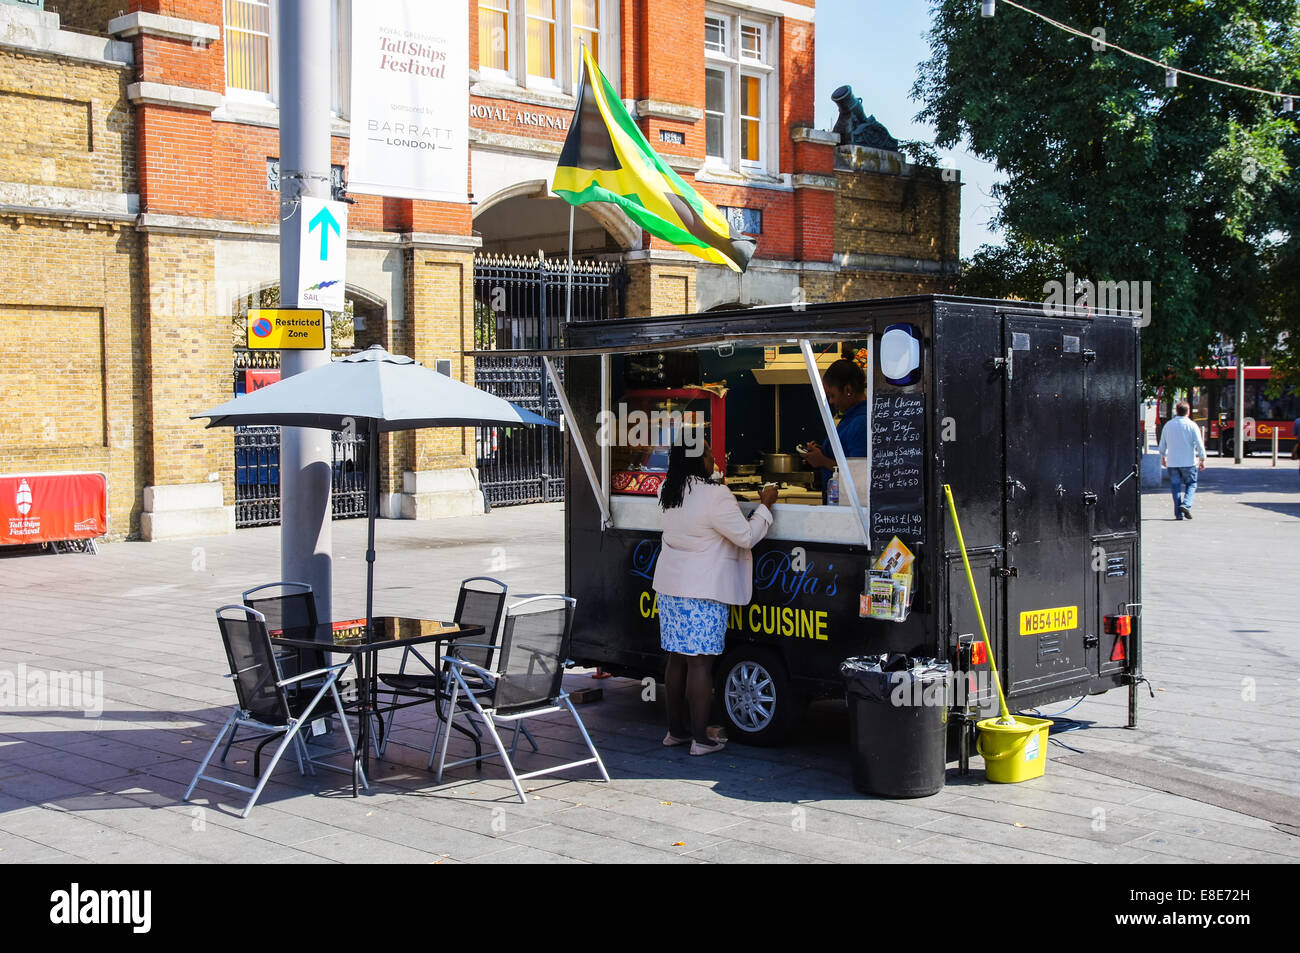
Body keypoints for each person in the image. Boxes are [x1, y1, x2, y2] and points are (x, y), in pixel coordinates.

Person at [653, 440, 778, 755]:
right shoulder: (714, 495)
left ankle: (676, 732)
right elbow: (746, 536)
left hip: (670, 588)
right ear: (698, 460)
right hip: (702, 591)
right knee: (700, 664)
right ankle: (701, 738)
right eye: (708, 453)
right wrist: (765, 505)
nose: (713, 457)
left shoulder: (667, 490)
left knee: (677, 658)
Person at [801, 359, 870, 501]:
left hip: (851, 508)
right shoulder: (850, 418)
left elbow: (859, 472)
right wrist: (822, 452)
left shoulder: (861, 422)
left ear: (848, 390)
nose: (831, 401)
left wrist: (822, 460)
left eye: (832, 395)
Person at [1158, 401, 1207, 520]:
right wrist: (1202, 459)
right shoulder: (1192, 425)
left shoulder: (1168, 425)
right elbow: (1199, 444)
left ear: (1176, 410)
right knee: (1191, 484)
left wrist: (1163, 457)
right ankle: (1186, 504)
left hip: (1172, 462)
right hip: (1188, 462)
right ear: (1188, 411)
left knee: (1175, 487)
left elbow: (1162, 445)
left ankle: (1178, 514)